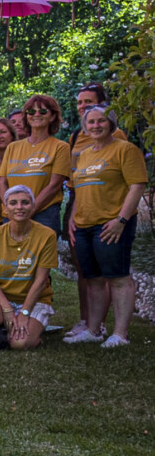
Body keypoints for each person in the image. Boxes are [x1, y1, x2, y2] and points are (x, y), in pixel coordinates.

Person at [65, 106, 147, 347]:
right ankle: (94, 330)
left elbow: (137, 185)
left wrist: (121, 220)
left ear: (111, 123)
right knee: (94, 280)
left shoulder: (125, 150)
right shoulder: (85, 155)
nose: (95, 125)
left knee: (119, 278)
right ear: (84, 126)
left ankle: (120, 334)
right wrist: (72, 217)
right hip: (84, 226)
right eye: (90, 122)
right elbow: (79, 188)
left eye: (101, 121)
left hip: (112, 224)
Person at [0, 186, 56, 350]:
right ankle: (9, 325)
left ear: (33, 207)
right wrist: (7, 309)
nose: (19, 207)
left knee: (20, 344)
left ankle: (29, 330)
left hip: (35, 300)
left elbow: (41, 281)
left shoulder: (47, 235)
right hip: (2, 298)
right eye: (13, 203)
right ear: (5, 209)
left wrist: (25, 312)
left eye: (25, 203)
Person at [0, 95, 70, 235]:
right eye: (31, 111)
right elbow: (2, 181)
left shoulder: (61, 147)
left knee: (42, 256)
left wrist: (29, 210)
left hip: (44, 215)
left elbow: (54, 185)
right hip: (11, 216)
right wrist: (11, 209)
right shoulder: (12, 147)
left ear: (52, 116)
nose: (36, 115)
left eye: (42, 111)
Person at [69, 83, 127, 156]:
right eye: (79, 103)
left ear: (102, 104)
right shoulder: (74, 137)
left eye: (88, 101)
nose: (82, 106)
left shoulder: (115, 134)